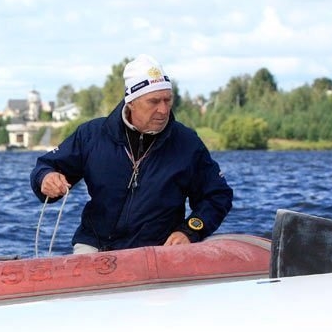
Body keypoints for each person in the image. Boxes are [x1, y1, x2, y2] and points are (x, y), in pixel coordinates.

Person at [30, 54, 233, 254]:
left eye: (167, 100)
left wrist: (189, 231)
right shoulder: (91, 135)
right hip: (94, 246)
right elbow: (46, 166)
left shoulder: (187, 143)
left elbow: (217, 195)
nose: (163, 110)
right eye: (154, 101)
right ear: (131, 102)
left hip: (158, 251)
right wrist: (46, 178)